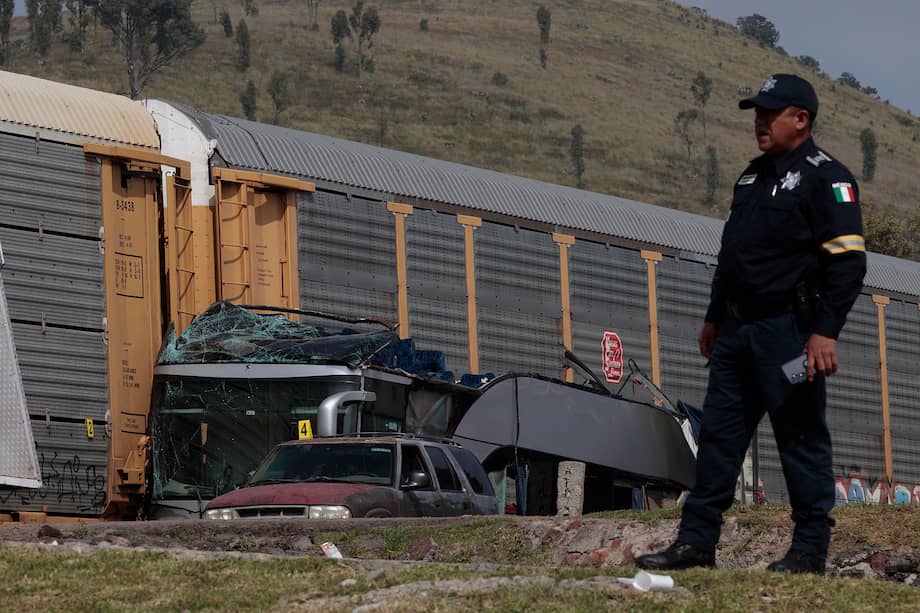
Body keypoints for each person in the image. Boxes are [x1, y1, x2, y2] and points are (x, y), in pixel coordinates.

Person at [636, 74, 866, 575]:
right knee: (718, 440)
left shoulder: (828, 178)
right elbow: (733, 255)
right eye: (757, 113)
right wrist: (714, 316)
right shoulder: (751, 177)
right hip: (737, 334)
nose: (760, 121)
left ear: (800, 119)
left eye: (770, 113)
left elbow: (848, 264)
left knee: (800, 440)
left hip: (790, 335)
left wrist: (825, 332)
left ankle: (809, 551)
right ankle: (696, 543)